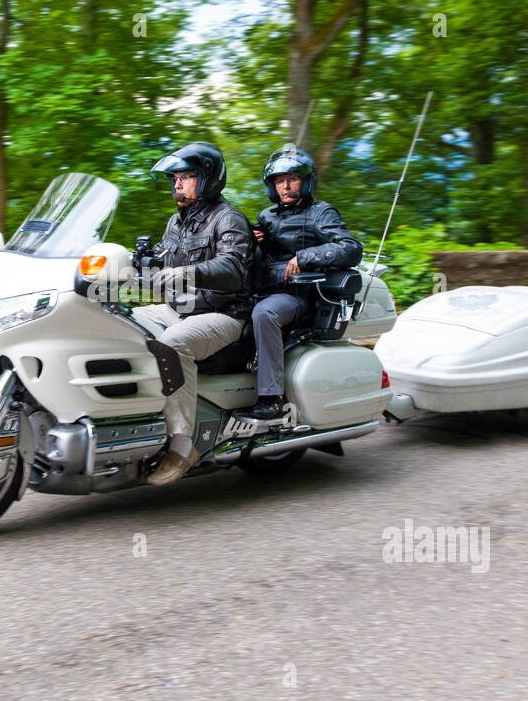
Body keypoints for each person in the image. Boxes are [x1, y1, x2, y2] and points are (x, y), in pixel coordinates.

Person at [133, 142, 253, 485]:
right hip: (179, 308)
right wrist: (138, 262)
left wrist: (191, 273)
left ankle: (183, 446)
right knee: (119, 324)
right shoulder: (177, 221)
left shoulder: (228, 218)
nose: (177, 185)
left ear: (209, 180)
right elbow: (162, 262)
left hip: (225, 312)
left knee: (171, 345)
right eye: (175, 178)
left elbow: (234, 267)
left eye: (186, 177)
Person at [248, 145, 361, 419]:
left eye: (292, 179)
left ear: (306, 181)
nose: (285, 186)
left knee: (265, 314)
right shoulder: (267, 216)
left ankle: (271, 397)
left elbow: (351, 248)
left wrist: (307, 255)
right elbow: (259, 258)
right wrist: (252, 242)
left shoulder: (321, 213)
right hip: (264, 288)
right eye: (279, 181)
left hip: (299, 296)